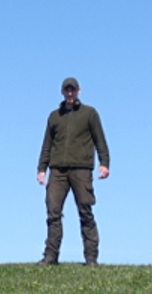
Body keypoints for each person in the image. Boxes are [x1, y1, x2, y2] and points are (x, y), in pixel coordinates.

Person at [35, 77, 110, 265]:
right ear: (62, 92)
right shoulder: (54, 116)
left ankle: (91, 258)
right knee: (53, 212)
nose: (70, 94)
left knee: (85, 211)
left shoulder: (89, 114)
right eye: (67, 90)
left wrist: (104, 163)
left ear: (79, 91)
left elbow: (100, 139)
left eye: (73, 90)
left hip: (81, 169)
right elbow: (47, 144)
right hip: (57, 171)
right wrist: (42, 168)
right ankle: (50, 257)